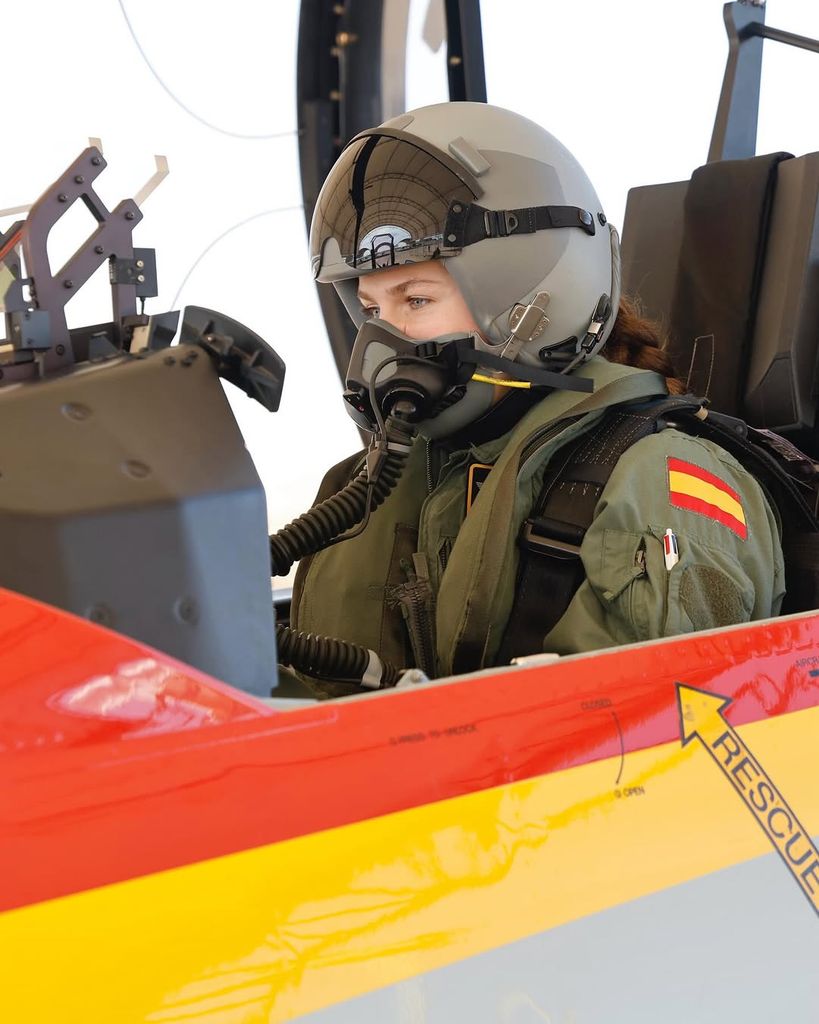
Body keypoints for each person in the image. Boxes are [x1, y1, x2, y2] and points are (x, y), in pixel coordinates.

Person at [290, 101, 784, 698]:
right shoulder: (377, 483)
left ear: (534, 300)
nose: (381, 341)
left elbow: (648, 756)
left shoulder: (661, 489)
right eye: (370, 310)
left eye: (415, 301)